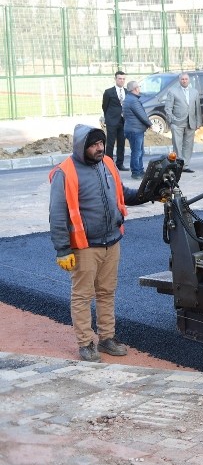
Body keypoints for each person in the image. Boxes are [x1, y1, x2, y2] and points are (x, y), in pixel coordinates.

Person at [49, 125, 148, 362]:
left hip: (111, 242)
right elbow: (57, 214)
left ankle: (107, 339)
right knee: (83, 296)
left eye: (101, 143)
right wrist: (63, 249)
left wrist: (150, 193)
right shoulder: (66, 172)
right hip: (85, 247)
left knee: (106, 293)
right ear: (82, 146)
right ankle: (85, 343)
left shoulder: (108, 165)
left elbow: (122, 194)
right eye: (93, 145)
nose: (99, 148)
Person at [163, 72, 200, 173]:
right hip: (177, 123)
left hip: (190, 122)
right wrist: (172, 121)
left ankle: (185, 165)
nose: (184, 81)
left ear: (189, 80)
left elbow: (197, 108)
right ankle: (177, 165)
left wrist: (198, 122)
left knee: (188, 145)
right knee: (177, 145)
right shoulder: (173, 91)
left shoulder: (194, 92)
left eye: (186, 79)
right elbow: (168, 108)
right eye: (182, 79)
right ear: (179, 80)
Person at [122, 80, 152, 180]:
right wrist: (150, 124)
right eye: (138, 87)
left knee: (139, 151)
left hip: (135, 129)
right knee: (137, 152)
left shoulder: (129, 98)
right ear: (135, 89)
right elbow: (141, 115)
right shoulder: (133, 100)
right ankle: (136, 172)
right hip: (135, 130)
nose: (139, 89)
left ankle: (139, 169)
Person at [100, 71, 128, 171]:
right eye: (120, 78)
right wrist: (108, 118)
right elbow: (104, 106)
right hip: (112, 121)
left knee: (121, 143)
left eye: (123, 79)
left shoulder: (127, 91)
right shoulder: (109, 92)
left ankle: (120, 164)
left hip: (123, 121)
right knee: (110, 143)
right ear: (115, 79)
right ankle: (109, 164)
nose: (122, 81)